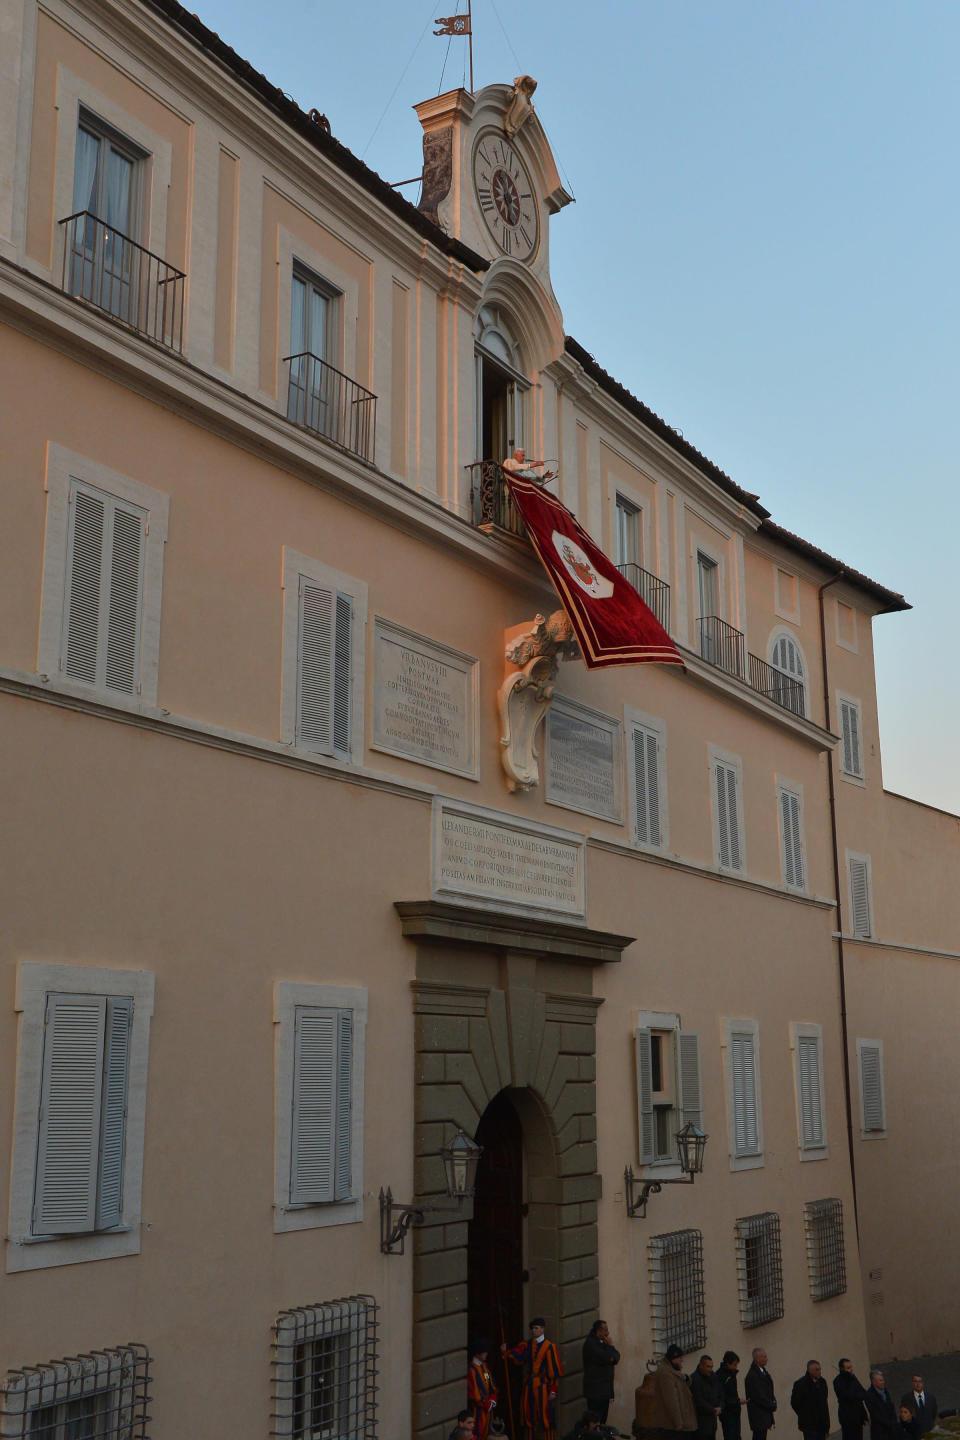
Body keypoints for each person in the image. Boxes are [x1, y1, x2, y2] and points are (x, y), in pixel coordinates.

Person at [504, 1318, 564, 1440]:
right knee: (529, 1416)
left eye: (536, 1328)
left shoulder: (550, 1347)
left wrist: (553, 1390)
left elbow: (554, 1371)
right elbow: (519, 1358)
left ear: (543, 1329)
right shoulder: (527, 1345)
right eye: (533, 1328)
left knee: (546, 1417)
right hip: (530, 1385)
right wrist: (506, 1352)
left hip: (543, 1386)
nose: (534, 1331)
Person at [651, 1343, 697, 1439]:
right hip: (673, 1426)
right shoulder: (666, 1374)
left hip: (679, 1424)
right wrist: (678, 1422)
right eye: (680, 1358)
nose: (682, 1360)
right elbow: (671, 1400)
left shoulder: (673, 1371)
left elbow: (682, 1386)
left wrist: (686, 1378)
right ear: (674, 1358)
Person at [582, 1320, 621, 1425]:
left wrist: (610, 1349)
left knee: (602, 1422)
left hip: (604, 1392)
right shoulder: (591, 1345)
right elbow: (608, 1358)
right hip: (596, 1392)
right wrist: (609, 1347)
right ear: (599, 1331)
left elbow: (616, 1357)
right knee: (595, 1422)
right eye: (606, 1330)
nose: (607, 1333)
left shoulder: (602, 1343)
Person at [790, 1361, 830, 1440]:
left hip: (822, 1424)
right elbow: (795, 1403)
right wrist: (805, 1414)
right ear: (809, 1371)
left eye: (819, 1369)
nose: (819, 1372)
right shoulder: (800, 1384)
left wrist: (827, 1424)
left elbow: (824, 1401)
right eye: (816, 1370)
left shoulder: (822, 1382)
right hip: (809, 1425)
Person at [468, 1343, 499, 1440]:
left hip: (487, 1409)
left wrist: (493, 1399)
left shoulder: (484, 1367)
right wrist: (486, 1403)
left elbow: (490, 1384)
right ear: (478, 1354)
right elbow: (474, 1393)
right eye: (484, 1352)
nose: (486, 1354)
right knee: (477, 1433)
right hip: (477, 1411)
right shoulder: (471, 1370)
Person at [745, 1348, 777, 1440]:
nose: (766, 1359)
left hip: (764, 1414)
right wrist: (771, 1405)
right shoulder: (753, 1376)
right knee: (759, 1437)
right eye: (764, 1357)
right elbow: (759, 1396)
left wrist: (773, 1401)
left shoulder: (763, 1372)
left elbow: (769, 1391)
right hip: (759, 1415)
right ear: (757, 1358)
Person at [834, 1359, 868, 1440]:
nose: (851, 1369)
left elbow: (863, 1393)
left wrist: (864, 1415)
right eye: (848, 1368)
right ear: (842, 1369)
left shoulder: (853, 1378)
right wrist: (857, 1394)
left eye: (851, 1367)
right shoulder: (838, 1381)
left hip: (858, 1416)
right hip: (847, 1418)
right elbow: (848, 1396)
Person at [691, 1356, 723, 1440]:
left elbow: (719, 1394)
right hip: (701, 1423)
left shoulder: (714, 1377)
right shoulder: (695, 1379)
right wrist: (713, 1409)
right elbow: (698, 1399)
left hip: (712, 1423)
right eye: (708, 1366)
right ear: (701, 1366)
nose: (710, 1369)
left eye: (711, 1367)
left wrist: (720, 1407)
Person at [864, 1369, 898, 1440]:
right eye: (880, 1380)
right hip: (879, 1432)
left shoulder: (885, 1391)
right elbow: (875, 1414)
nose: (883, 1382)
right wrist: (888, 1423)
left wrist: (894, 1422)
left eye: (883, 1380)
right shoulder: (869, 1395)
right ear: (873, 1382)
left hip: (891, 1430)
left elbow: (891, 1407)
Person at [720, 1352, 744, 1440]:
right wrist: (737, 1401)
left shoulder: (732, 1374)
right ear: (727, 1363)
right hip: (727, 1413)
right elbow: (723, 1397)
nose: (736, 1367)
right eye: (734, 1365)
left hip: (735, 1411)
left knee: (737, 1436)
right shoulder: (722, 1376)